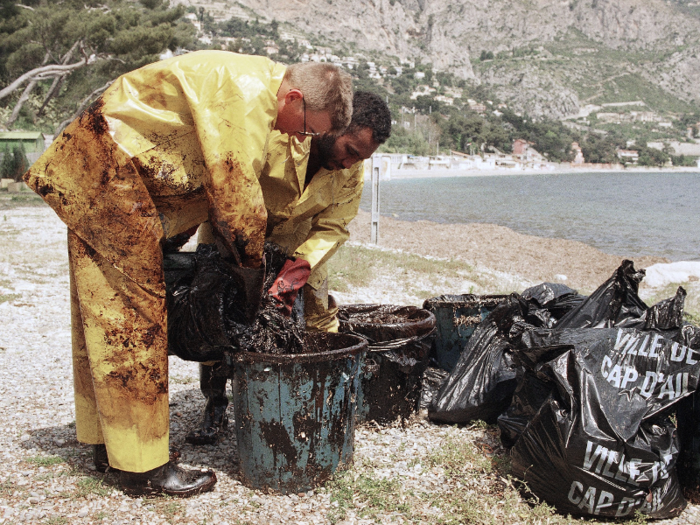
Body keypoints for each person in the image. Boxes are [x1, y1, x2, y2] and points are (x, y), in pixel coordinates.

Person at [23, 50, 353, 497]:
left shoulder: (252, 78)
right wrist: (251, 273)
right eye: (308, 127)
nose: (301, 137)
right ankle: (144, 468)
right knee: (134, 319)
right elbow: (237, 197)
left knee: (99, 316)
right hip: (111, 181)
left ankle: (109, 444)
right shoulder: (247, 94)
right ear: (294, 97)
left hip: (94, 169)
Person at [186, 91, 392, 445]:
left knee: (319, 314)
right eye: (350, 150)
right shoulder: (277, 133)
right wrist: (248, 259)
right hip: (234, 231)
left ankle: (318, 395)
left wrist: (298, 269)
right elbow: (231, 181)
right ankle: (216, 402)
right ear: (335, 126)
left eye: (360, 159)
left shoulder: (351, 172)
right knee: (217, 316)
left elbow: (333, 226)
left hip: (298, 245)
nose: (349, 163)